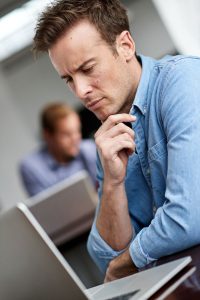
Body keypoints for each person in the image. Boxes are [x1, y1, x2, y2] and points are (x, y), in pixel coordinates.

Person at [33, 0, 200, 282]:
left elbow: (188, 216)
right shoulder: (108, 134)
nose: (81, 91)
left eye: (87, 69)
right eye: (69, 79)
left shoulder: (183, 80)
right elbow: (105, 256)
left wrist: (128, 261)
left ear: (125, 45)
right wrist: (112, 183)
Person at [19, 102, 97, 197]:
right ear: (47, 136)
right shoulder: (31, 167)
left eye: (77, 131)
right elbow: (46, 208)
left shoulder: (89, 149)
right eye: (67, 134)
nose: (75, 139)